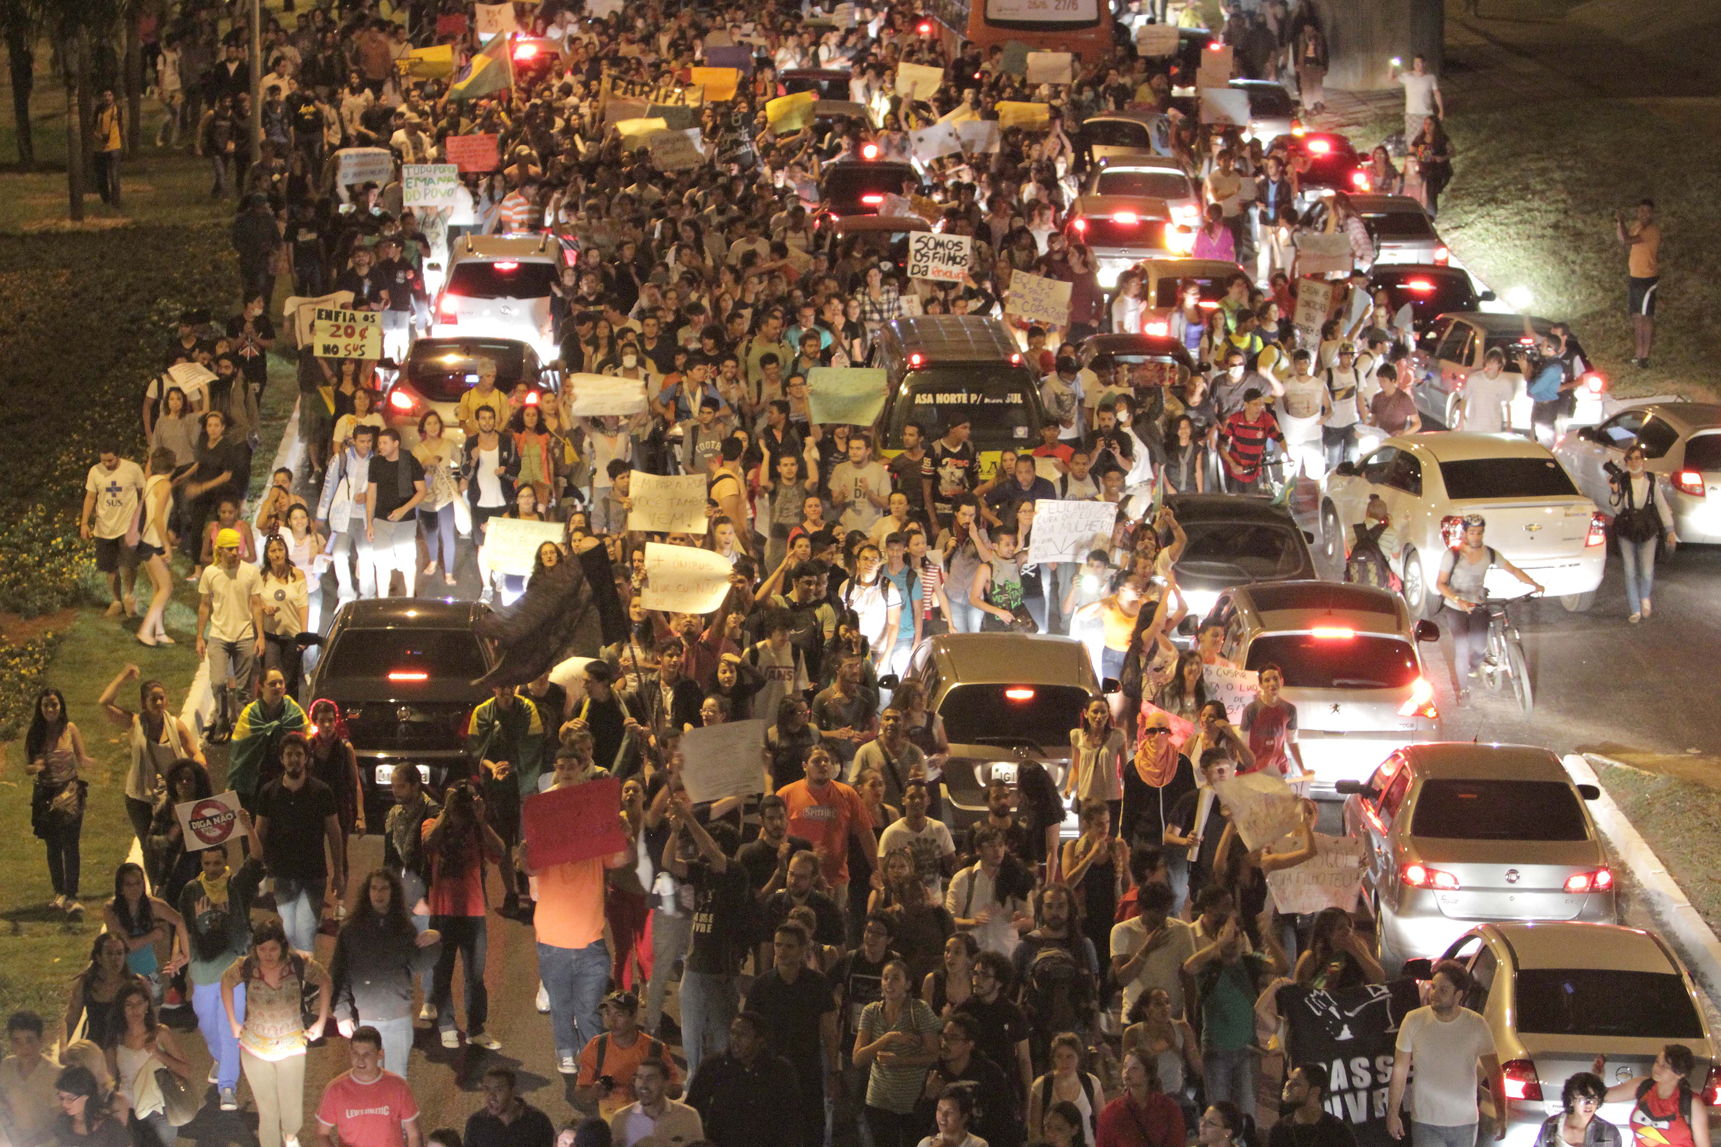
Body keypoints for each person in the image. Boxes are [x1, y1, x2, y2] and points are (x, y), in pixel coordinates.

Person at [222, 919, 333, 1147]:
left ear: (282, 946)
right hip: (255, 1048)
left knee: (293, 1114)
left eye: (272, 948)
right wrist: (232, 1021)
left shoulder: (298, 964)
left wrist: (321, 1021)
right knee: (268, 1113)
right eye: (261, 949)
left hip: (291, 1046)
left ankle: (290, 1136)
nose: (267, 954)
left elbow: (325, 980)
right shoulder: (246, 966)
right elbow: (226, 982)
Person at [181, 817, 265, 1113]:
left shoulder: (237, 886)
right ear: (201, 865)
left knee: (232, 1028)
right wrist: (178, 955)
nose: (213, 869)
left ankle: (227, 1086)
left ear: (226, 862)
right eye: (207, 864)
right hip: (202, 971)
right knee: (207, 1024)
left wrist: (248, 828)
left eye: (217, 863)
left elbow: (256, 859)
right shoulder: (191, 891)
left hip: (234, 971)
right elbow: (184, 927)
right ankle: (218, 1057)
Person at [329, 868, 441, 1076]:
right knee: (367, 1082)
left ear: (392, 892)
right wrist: (342, 1014)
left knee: (397, 1083)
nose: (379, 894)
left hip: (398, 1019)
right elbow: (339, 974)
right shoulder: (351, 931)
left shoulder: (404, 929)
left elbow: (418, 964)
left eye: (384, 889)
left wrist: (434, 940)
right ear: (367, 892)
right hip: (365, 1021)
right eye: (374, 888)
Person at [1385, 959, 1506, 1147]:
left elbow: (1494, 1072)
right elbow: (1399, 1069)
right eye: (1434, 987)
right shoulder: (1414, 1020)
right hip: (1426, 1122)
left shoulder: (1476, 1024)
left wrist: (1501, 1114)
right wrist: (1392, 1113)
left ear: (1458, 995)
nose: (1434, 994)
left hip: (1464, 1123)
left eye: (1443, 990)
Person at [422, 780, 505, 1052]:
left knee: (475, 976)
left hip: (473, 911)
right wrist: (446, 812)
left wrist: (481, 821)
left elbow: (501, 852)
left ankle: (476, 1028)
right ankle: (446, 1025)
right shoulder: (433, 823)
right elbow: (428, 842)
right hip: (442, 911)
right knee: (442, 971)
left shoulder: (477, 830)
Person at [743, 923, 838, 1147]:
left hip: (807, 1074)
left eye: (789, 946)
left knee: (811, 1133)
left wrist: (834, 1072)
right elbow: (747, 1031)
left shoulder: (818, 984)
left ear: (804, 948)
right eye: (778, 945)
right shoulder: (761, 986)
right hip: (769, 1074)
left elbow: (830, 1033)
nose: (782, 951)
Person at [255, 730, 345, 952]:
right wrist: (257, 871)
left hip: (313, 874)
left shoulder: (322, 792)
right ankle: (295, 976)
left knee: (305, 930)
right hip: (282, 874)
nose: (294, 759)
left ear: (306, 757)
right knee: (289, 930)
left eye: (298, 754)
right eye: (289, 754)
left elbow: (334, 832)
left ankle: (307, 981)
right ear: (281, 759)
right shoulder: (269, 792)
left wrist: (339, 873)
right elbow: (259, 832)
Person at [1434, 516, 1544, 697]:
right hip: (1456, 607)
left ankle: (1475, 665)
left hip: (1478, 604)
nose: (1476, 537)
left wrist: (1534, 584)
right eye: (1472, 533)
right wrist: (1457, 599)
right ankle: (1463, 690)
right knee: (1461, 646)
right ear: (1464, 533)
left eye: (1479, 533)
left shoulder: (1489, 554)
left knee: (1478, 646)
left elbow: (1513, 570)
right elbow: (1440, 584)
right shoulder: (1452, 555)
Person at [854, 957, 942, 1147]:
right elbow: (857, 1058)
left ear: (907, 984)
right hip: (879, 1100)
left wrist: (900, 1060)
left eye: (895, 978)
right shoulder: (871, 1012)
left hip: (912, 1101)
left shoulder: (918, 1010)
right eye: (885, 978)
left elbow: (934, 1054)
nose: (889, 983)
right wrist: (888, 1038)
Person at [685, 1012, 801, 1147]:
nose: (735, 1039)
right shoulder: (714, 1066)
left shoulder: (779, 1071)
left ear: (760, 1040)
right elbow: (693, 1109)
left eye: (743, 1035)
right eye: (733, 1033)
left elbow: (792, 1117)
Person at [26, 688, 93, 917]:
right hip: (46, 795)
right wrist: (35, 767)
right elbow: (29, 766)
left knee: (71, 843)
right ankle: (59, 892)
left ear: (61, 706)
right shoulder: (36, 733)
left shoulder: (70, 729)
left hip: (71, 792)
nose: (51, 709)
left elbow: (81, 757)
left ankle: (72, 894)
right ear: (40, 709)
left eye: (54, 704)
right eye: (46, 705)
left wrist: (91, 763)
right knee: (53, 845)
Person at [196, 527, 265, 737]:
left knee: (244, 688)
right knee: (217, 682)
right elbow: (204, 606)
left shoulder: (250, 572)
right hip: (218, 635)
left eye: (236, 548)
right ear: (220, 550)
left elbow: (256, 604)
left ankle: (241, 724)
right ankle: (222, 720)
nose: (234, 552)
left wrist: (260, 635)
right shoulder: (210, 573)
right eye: (229, 549)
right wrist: (199, 636)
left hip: (244, 634)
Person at [103, 983, 190, 1147]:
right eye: (129, 1004)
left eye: (139, 1003)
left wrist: (159, 1054)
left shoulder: (160, 1034)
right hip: (128, 1111)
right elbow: (109, 1080)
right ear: (121, 1009)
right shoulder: (116, 1039)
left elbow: (185, 1070)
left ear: (147, 1006)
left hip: (158, 1110)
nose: (135, 1009)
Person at [576, 990, 681, 1120]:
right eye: (608, 1013)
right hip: (610, 1126)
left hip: (649, 1125)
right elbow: (580, 1093)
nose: (611, 1021)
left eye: (619, 1015)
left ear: (633, 1016)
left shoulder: (655, 1049)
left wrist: (651, 1088)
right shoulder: (596, 1047)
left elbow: (676, 1090)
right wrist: (593, 1092)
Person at [314, 1025, 423, 1147]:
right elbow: (322, 1134)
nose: (360, 1060)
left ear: (380, 1054)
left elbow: (414, 1135)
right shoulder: (335, 1090)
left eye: (367, 1054)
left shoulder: (398, 1086)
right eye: (355, 1053)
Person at [102, 862, 190, 1005]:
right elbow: (126, 945)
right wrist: (154, 935)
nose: (134, 888)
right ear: (121, 887)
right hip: (121, 976)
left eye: (138, 883)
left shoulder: (153, 905)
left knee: (152, 1019)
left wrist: (179, 953)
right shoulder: (110, 910)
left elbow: (181, 922)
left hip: (149, 973)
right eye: (128, 884)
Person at [1608, 442, 1676, 623]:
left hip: (1648, 529)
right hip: (1627, 530)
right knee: (1630, 571)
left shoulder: (1651, 481)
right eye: (1630, 459)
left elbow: (1661, 505)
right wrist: (1614, 492)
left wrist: (1670, 530)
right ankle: (1635, 609)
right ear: (1626, 462)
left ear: (1643, 461)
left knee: (1646, 571)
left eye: (1638, 458)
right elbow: (1617, 509)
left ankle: (1645, 596)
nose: (1634, 462)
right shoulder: (1622, 480)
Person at [1110, 882, 1197, 1021]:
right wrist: (1146, 949)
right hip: (1136, 1015)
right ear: (1143, 908)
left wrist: (1192, 1017)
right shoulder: (1122, 931)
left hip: (1171, 1016)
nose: (1162, 917)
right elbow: (1123, 978)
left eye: (1166, 911)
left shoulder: (1181, 930)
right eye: (1157, 912)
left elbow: (1188, 979)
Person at [229, 668, 310, 813]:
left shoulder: (294, 712)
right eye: (273, 684)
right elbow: (239, 753)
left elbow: (307, 742)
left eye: (281, 683)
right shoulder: (250, 714)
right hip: (256, 782)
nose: (278, 687)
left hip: (286, 780)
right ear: (260, 687)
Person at [945, 826, 1033, 958]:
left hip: (1006, 954)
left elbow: (1030, 922)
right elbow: (949, 921)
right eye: (991, 846)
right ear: (978, 850)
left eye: (1000, 845)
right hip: (973, 956)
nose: (997, 851)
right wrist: (973, 922)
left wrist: (1019, 922)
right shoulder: (963, 879)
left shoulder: (1016, 876)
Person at [1599, 1044, 1707, 1147]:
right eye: (1657, 1062)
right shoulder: (1644, 1086)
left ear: (1680, 1074)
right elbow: (1604, 1096)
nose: (1657, 1068)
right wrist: (1598, 1077)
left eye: (1664, 1066)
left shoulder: (1691, 1103)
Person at [81, 449, 145, 619]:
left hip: (127, 526)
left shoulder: (133, 469)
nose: (107, 464)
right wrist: (84, 523)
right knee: (110, 567)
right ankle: (116, 601)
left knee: (130, 564)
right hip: (104, 527)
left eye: (110, 460)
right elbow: (90, 497)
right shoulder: (95, 471)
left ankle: (129, 597)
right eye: (103, 461)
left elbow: (142, 494)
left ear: (118, 456)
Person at [1027, 1034, 1106, 1146]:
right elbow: (1034, 1130)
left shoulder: (1092, 1083)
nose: (1065, 1061)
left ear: (1078, 1057)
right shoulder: (1042, 1085)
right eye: (1059, 1056)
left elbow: (1103, 1124)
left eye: (1070, 1056)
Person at [1094, 1052, 1184, 1147]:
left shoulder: (1169, 1109)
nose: (1126, 1072)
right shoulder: (1110, 1112)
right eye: (1125, 1067)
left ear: (1148, 1074)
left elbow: (1176, 1142)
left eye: (1134, 1068)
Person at [608, 1059, 704, 1147]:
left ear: (666, 1083)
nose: (643, 1084)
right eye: (640, 1077)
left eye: (650, 1078)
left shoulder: (687, 1116)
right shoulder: (621, 1118)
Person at [1, 1012, 59, 1147]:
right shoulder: (5, 1067)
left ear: (41, 1040)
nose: (24, 1047)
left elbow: (59, 1121)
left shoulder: (55, 1074)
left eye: (29, 1040)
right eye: (17, 1041)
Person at [1615, 199, 1660, 367]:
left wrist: (1621, 222)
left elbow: (1627, 240)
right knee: (1636, 316)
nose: (1644, 214)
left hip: (1647, 279)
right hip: (1635, 276)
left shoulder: (1652, 230)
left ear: (1652, 213)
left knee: (1645, 317)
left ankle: (1644, 356)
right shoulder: (1637, 225)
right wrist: (1619, 225)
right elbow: (1622, 240)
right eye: (1641, 211)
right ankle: (1638, 354)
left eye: (1647, 211)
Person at [463, 1067, 555, 1147]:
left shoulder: (538, 1121)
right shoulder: (476, 1123)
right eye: (487, 1089)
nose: (491, 1096)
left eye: (498, 1089)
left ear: (513, 1091)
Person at [1270, 1064, 1356, 1147]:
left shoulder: (1338, 1132)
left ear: (1315, 1091)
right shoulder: (1280, 1130)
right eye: (1288, 1081)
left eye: (1296, 1083)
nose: (1287, 1086)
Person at [49, 1064, 129, 1147]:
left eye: (70, 1098)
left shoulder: (110, 1127)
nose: (64, 1103)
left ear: (86, 1096)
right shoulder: (63, 1122)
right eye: (61, 1097)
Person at [1532, 1073, 1618, 1147]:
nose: (1589, 1104)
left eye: (1593, 1099)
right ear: (1571, 1100)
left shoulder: (1608, 1131)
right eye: (1583, 1099)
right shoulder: (1551, 1125)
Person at [1391, 56, 1444, 155]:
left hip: (1426, 113)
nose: (1417, 65)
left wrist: (1441, 110)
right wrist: (1392, 65)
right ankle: (1413, 159)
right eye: (1415, 63)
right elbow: (1391, 78)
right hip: (1412, 113)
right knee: (1411, 138)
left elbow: (1437, 93)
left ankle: (1425, 159)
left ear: (1424, 64)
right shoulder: (1408, 76)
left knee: (1426, 137)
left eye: (1419, 63)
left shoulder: (1430, 77)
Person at [917, 1086, 987, 1147]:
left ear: (964, 1117)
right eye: (939, 1109)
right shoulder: (926, 1143)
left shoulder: (978, 1144)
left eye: (950, 1112)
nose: (942, 1116)